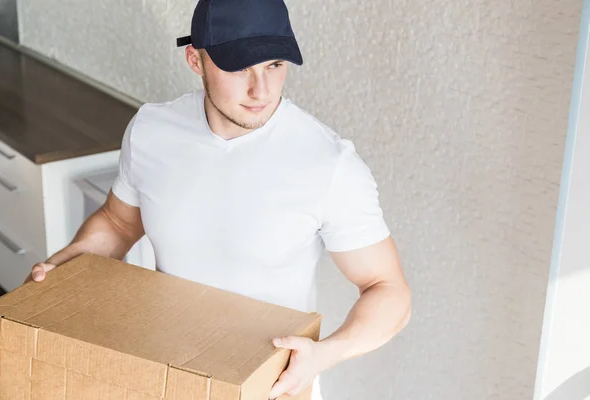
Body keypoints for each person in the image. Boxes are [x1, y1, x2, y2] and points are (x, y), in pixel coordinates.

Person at [26, 0, 412, 398]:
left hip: (273, 387)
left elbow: (388, 289)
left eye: (274, 65)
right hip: (167, 375)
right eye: (239, 66)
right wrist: (73, 261)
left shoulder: (329, 164)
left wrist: (324, 354)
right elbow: (120, 222)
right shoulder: (152, 130)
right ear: (196, 60)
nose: (260, 90)